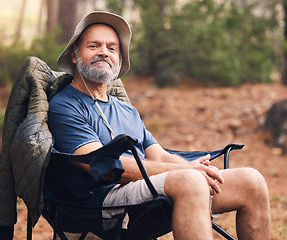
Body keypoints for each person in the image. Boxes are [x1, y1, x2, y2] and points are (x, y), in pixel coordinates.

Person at [48, 11, 271, 240]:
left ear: (119, 60)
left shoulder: (126, 110)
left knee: (251, 181)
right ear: (75, 56)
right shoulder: (64, 105)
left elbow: (160, 156)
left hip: (143, 194)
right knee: (189, 180)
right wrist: (186, 172)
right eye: (94, 46)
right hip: (98, 205)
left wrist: (194, 167)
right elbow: (102, 168)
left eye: (112, 48)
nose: (104, 52)